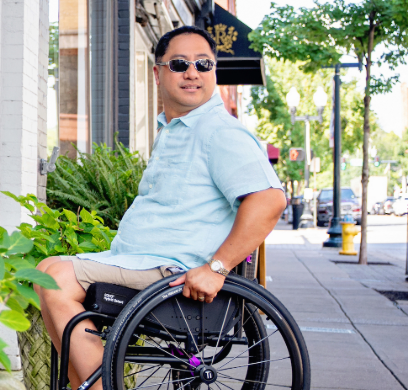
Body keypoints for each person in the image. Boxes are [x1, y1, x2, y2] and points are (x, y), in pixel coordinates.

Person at [33, 26, 287, 390]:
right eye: (180, 63)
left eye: (203, 64)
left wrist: (216, 268)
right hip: (147, 263)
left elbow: (269, 200)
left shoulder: (219, 132)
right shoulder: (177, 129)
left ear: (214, 71)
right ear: (158, 73)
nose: (192, 72)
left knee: (56, 278)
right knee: (46, 270)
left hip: (176, 274)